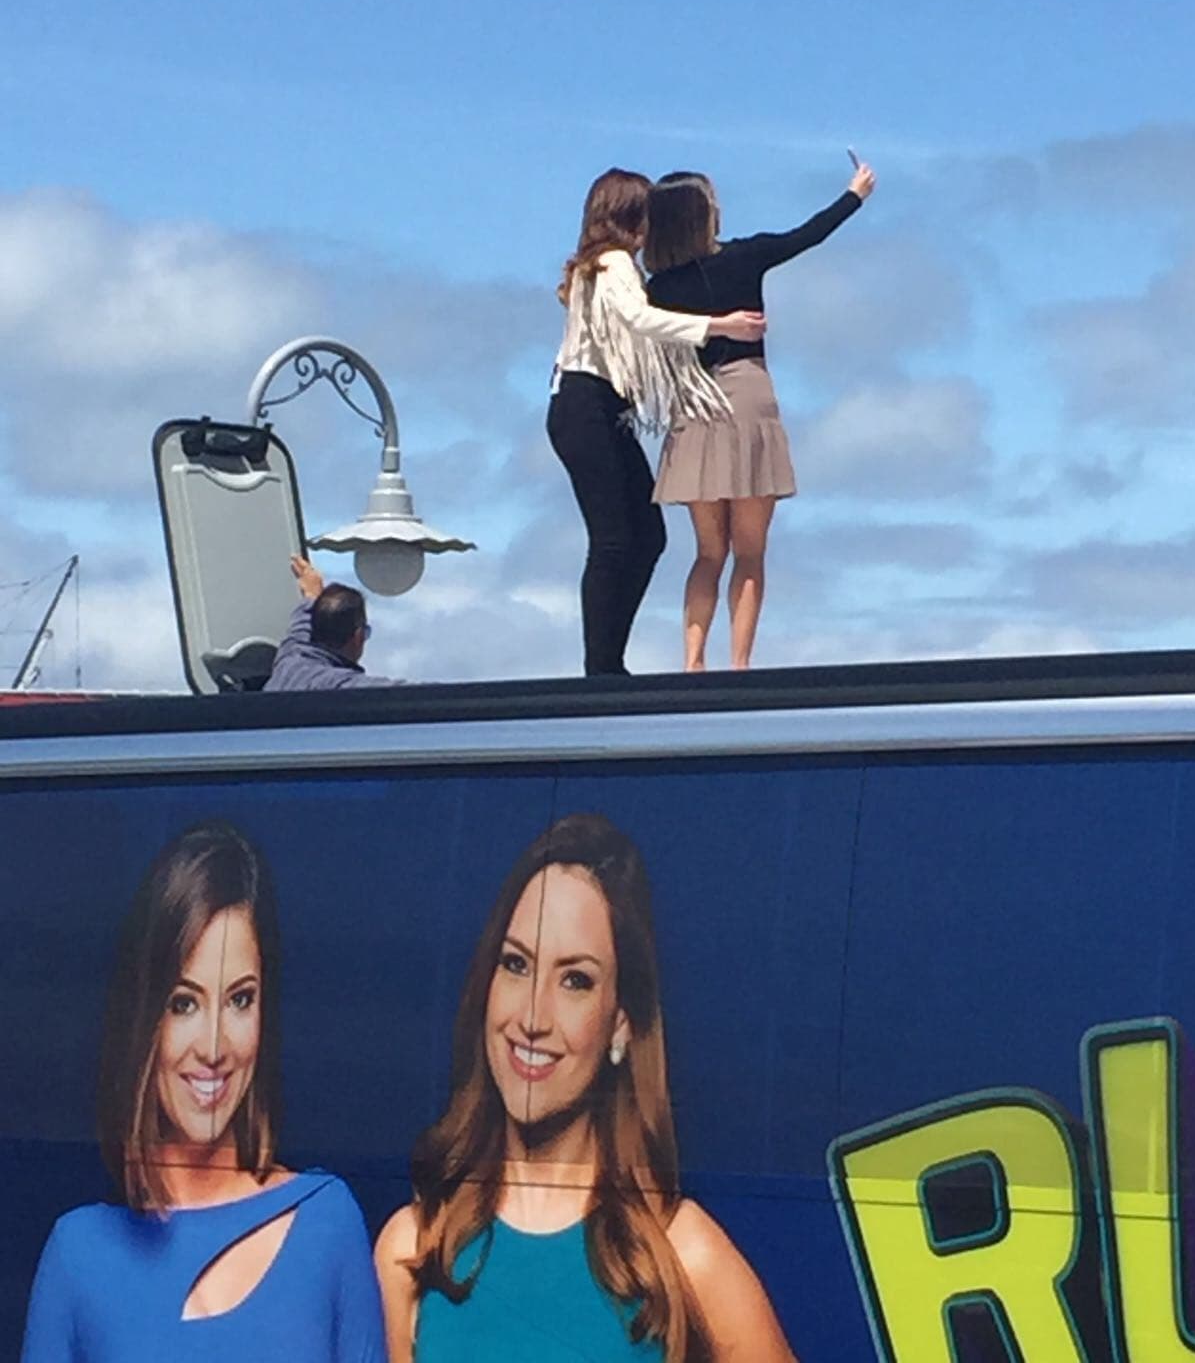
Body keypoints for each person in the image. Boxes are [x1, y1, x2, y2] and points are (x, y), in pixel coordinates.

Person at [374, 813, 796, 1363]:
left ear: (621, 1022)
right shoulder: (413, 1249)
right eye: (516, 964)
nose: (532, 1016)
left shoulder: (685, 1256)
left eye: (575, 980)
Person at [20, 821, 386, 1362]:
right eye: (184, 1003)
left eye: (240, 999)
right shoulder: (78, 1255)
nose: (213, 1046)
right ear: (145, 1018)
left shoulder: (326, 1223)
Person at [644, 163, 876, 671]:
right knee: (749, 551)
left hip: (693, 405)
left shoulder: (657, 288)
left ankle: (692, 662)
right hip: (746, 396)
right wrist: (854, 195)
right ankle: (740, 665)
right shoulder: (744, 257)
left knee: (708, 552)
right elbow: (808, 234)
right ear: (704, 215)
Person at [547, 168, 766, 676]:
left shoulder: (595, 266)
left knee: (644, 535)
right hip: (588, 404)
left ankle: (606, 662)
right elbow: (638, 319)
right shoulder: (614, 263)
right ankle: (602, 667)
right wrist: (717, 324)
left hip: (594, 407)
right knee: (616, 538)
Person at [265, 555, 400, 691]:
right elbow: (403, 695)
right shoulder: (336, 685)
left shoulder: (289, 659)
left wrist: (312, 595)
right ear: (358, 637)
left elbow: (300, 627)